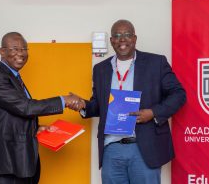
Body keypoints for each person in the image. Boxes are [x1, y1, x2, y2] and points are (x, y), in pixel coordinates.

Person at [69, 19, 186, 184]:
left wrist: (153, 113)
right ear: (111, 41)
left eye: (127, 35)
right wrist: (83, 105)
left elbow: (179, 94)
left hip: (144, 147)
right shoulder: (100, 69)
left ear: (135, 38)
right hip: (112, 149)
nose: (122, 39)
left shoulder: (156, 63)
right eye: (117, 35)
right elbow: (98, 105)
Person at [0, 32, 80, 184]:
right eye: (14, 49)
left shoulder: (14, 78)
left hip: (18, 164)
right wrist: (63, 100)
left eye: (24, 49)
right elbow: (25, 107)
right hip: (3, 165)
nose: (21, 53)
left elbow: (12, 114)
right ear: (2, 52)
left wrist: (35, 128)